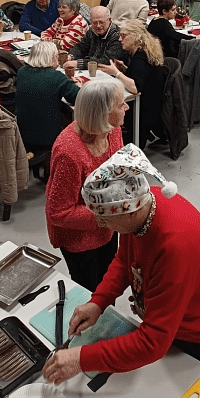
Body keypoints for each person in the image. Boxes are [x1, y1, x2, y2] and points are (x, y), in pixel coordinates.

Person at [42, 147, 200, 386]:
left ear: (129, 212)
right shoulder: (142, 207)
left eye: (104, 219)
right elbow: (124, 260)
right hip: (174, 324)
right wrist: (98, 302)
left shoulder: (174, 246)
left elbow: (152, 343)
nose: (99, 224)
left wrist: (81, 359)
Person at [45, 80, 128, 291]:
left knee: (109, 282)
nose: (127, 107)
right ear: (103, 113)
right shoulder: (69, 153)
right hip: (80, 239)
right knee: (89, 290)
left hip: (107, 226)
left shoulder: (113, 130)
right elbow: (59, 212)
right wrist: (109, 212)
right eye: (121, 104)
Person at [99, 20, 165, 149]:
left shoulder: (140, 58)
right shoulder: (143, 52)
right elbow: (140, 76)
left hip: (144, 110)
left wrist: (116, 72)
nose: (120, 39)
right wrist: (124, 68)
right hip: (154, 104)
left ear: (135, 37)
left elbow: (135, 88)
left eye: (123, 36)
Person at [16, 40, 81, 149]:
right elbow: (78, 98)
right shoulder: (56, 77)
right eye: (56, 56)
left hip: (22, 135)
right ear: (51, 58)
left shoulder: (22, 71)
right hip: (47, 138)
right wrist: (79, 86)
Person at [65, 7, 128, 71]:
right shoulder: (92, 31)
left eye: (101, 22)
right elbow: (81, 47)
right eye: (94, 23)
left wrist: (78, 63)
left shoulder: (118, 36)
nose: (98, 26)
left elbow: (107, 61)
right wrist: (70, 56)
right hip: (92, 71)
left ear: (109, 20)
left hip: (110, 74)